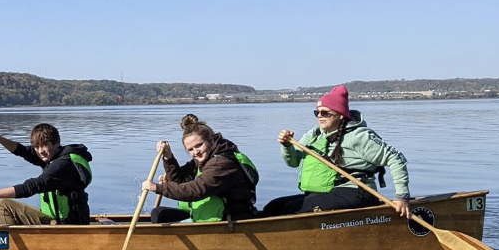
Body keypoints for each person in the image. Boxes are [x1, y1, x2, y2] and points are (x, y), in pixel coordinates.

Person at [264, 85, 412, 218]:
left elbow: (396, 158)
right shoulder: (314, 135)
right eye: (318, 113)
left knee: (291, 209)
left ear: (341, 115)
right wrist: (287, 146)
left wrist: (402, 197)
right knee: (273, 207)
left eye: (325, 113)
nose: (320, 116)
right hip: (328, 191)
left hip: (357, 192)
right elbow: (293, 162)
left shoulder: (359, 136)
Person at [0, 124, 94, 225]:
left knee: (3, 205)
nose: (40, 151)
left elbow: (31, 187)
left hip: (67, 225)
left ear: (57, 143)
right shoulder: (53, 156)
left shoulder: (62, 165)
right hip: (57, 219)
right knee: (3, 204)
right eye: (36, 147)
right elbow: (23, 151)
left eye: (45, 145)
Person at [142, 114, 259, 223]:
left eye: (199, 145)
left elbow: (196, 190)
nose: (196, 152)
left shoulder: (222, 163)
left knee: (160, 216)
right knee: (159, 214)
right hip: (212, 218)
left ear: (211, 140)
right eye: (190, 149)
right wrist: (169, 158)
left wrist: (157, 188)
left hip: (230, 220)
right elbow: (179, 180)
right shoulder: (204, 159)